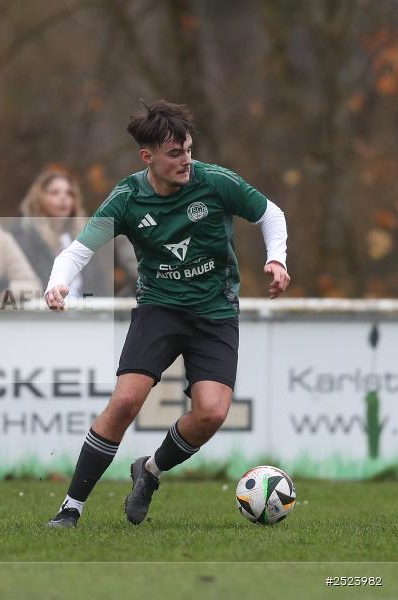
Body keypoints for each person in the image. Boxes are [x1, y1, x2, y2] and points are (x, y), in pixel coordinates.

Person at [44, 100, 290, 528]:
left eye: (188, 150)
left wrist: (278, 260)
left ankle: (150, 471)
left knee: (212, 413)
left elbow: (271, 213)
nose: (186, 161)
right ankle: (71, 508)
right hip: (159, 309)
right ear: (148, 157)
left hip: (214, 312)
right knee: (125, 401)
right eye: (175, 153)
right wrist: (56, 282)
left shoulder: (215, 183)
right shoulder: (127, 199)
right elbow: (79, 250)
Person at [12, 169, 138, 298]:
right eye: (55, 192)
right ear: (39, 198)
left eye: (69, 193)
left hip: (83, 314)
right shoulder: (25, 238)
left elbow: (98, 285)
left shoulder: (83, 237)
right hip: (44, 313)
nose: (63, 197)